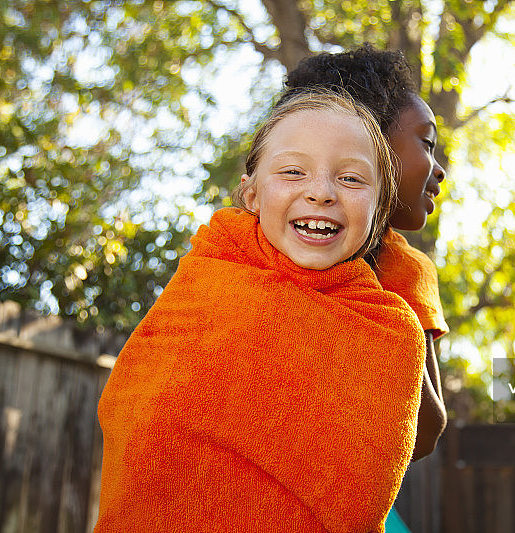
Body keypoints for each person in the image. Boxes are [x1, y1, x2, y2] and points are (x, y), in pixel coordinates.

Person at [94, 90, 427, 532]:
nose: (322, 193)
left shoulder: (390, 332)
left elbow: (358, 503)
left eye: (351, 179)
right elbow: (132, 412)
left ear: (379, 206)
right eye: (293, 171)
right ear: (251, 194)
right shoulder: (209, 275)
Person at [282, 45, 450, 463]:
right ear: (369, 139)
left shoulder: (405, 270)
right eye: (427, 143)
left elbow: (425, 432)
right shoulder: (247, 246)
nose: (440, 168)